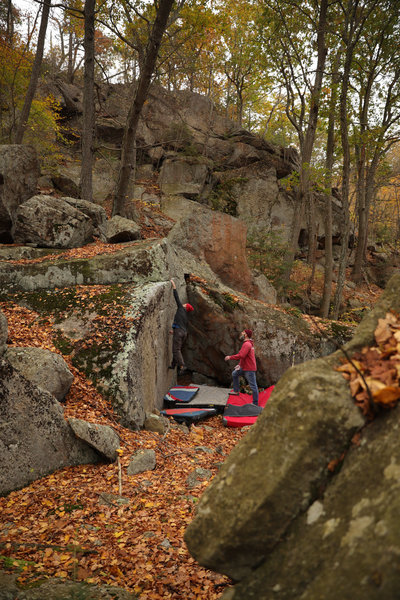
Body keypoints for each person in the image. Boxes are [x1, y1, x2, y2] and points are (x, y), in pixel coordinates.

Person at [225, 329, 259, 405]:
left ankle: (255, 403)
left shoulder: (247, 344)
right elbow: (244, 357)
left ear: (246, 335)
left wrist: (230, 357)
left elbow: (241, 355)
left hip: (249, 369)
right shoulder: (247, 343)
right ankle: (236, 391)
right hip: (244, 367)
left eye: (243, 332)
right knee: (235, 373)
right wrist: (239, 365)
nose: (241, 333)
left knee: (253, 386)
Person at [169, 279, 194, 375]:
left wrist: (173, 285)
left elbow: (176, 298)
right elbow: (179, 323)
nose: (183, 304)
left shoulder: (180, 308)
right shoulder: (185, 315)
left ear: (185, 307)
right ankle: (173, 365)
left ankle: (182, 366)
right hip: (183, 333)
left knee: (176, 350)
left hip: (179, 332)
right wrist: (174, 331)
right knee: (177, 348)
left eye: (185, 304)